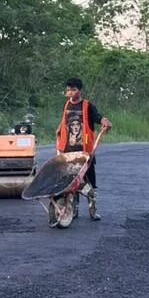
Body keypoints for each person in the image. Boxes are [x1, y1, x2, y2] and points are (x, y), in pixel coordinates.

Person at [51, 77, 111, 226]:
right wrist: (59, 128)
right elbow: (65, 121)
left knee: (89, 183)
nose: (70, 93)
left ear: (80, 90)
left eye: (73, 90)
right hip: (68, 152)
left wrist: (104, 121)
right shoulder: (67, 105)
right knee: (70, 182)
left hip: (85, 153)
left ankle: (93, 211)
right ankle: (73, 210)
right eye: (68, 90)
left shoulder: (88, 106)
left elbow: (98, 117)